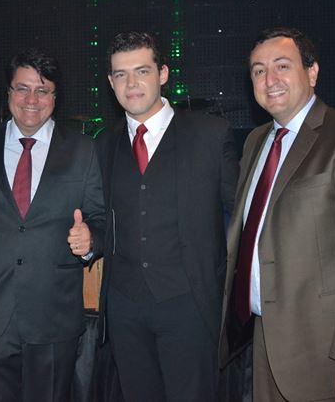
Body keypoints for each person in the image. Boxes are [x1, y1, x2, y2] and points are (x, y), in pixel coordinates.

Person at [218, 27, 335, 402]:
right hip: (265, 345)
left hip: (328, 356)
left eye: (282, 66)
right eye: (258, 71)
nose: (269, 80)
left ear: (312, 72)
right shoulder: (255, 142)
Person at [96, 31, 239, 402]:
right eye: (121, 74)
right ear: (111, 82)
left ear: (162, 74)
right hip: (124, 307)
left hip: (190, 304)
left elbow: (243, 215)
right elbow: (102, 220)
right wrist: (89, 242)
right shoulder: (104, 143)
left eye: (141, 71)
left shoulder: (210, 134)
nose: (131, 83)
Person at [0, 49, 105, 402]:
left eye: (42, 90)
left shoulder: (84, 149)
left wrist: (91, 239)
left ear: (55, 97)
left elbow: (99, 217)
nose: (31, 100)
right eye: (22, 89)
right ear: (8, 92)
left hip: (54, 314)